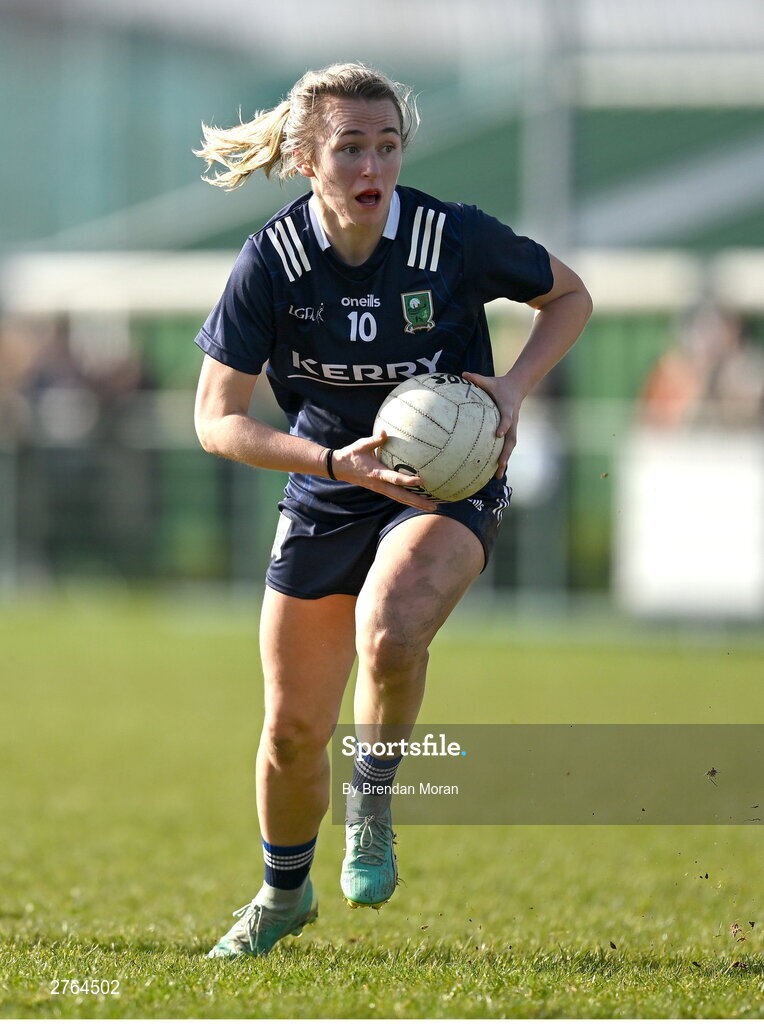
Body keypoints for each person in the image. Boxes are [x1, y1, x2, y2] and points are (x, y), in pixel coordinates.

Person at [193, 62, 592, 959]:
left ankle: (371, 799)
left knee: (391, 622)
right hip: (332, 480)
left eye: (387, 145)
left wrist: (514, 390)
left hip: (447, 483)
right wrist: (331, 460)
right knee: (294, 733)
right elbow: (216, 421)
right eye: (350, 147)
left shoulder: (449, 237)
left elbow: (570, 295)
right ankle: (283, 894)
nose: (373, 164)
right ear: (306, 157)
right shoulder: (274, 261)